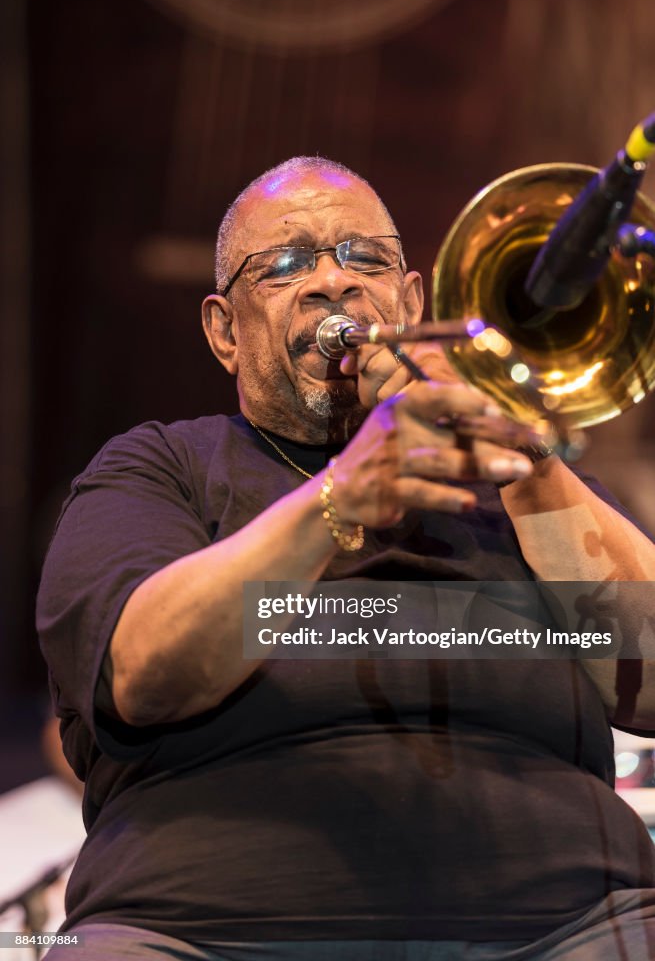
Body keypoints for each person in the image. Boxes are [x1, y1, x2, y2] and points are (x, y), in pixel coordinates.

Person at [37, 156, 655, 961]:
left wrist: (524, 448)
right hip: (197, 932)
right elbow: (145, 674)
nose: (334, 283)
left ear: (412, 301)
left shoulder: (530, 482)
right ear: (225, 330)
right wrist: (344, 494)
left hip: (563, 927)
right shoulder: (157, 469)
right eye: (286, 265)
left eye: (365, 258)